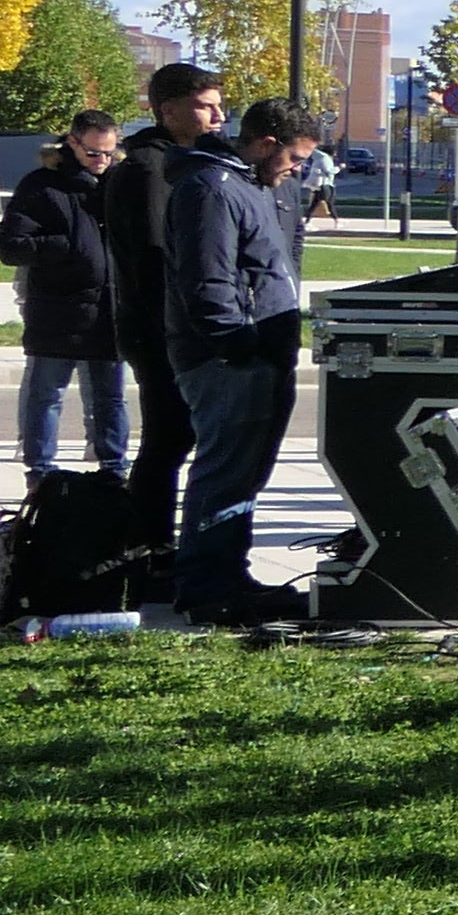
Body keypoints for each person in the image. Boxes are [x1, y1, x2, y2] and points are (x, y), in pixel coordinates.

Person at [163, 103, 321, 622]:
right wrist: (237, 345)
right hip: (228, 357)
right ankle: (207, 586)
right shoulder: (211, 188)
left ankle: (229, 574)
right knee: (225, 468)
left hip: (261, 350)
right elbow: (207, 279)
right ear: (265, 143)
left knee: (245, 472)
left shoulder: (251, 187)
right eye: (294, 158)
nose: (297, 169)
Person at [97, 65, 225, 542]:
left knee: (175, 438)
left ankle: (152, 541)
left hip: (166, 327)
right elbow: (154, 261)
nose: (218, 115)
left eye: (218, 105)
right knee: (168, 440)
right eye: (205, 106)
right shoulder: (152, 169)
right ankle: (149, 544)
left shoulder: (180, 160)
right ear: (168, 110)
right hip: (159, 330)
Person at [0, 115, 134, 476]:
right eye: (92, 152)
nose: (102, 160)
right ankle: (39, 471)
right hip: (58, 310)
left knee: (110, 398)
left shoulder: (119, 183)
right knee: (47, 394)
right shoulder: (42, 186)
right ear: (72, 143)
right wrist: (65, 246)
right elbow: (10, 246)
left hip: (108, 311)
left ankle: (115, 468)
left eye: (109, 152)